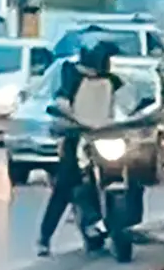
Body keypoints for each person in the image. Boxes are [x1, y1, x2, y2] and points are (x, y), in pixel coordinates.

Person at [36, 43, 123, 257]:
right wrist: (68, 116)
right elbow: (61, 101)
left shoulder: (113, 81)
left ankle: (112, 226)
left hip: (105, 136)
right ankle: (45, 238)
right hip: (76, 138)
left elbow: (126, 103)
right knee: (65, 187)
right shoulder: (71, 75)